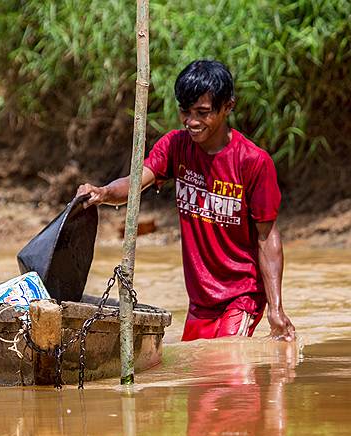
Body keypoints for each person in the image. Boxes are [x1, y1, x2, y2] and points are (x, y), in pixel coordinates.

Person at [77, 60, 295, 342]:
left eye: (203, 113)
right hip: (200, 300)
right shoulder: (175, 147)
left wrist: (276, 309)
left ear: (228, 106)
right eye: (185, 111)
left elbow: (268, 237)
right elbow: (135, 182)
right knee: (198, 376)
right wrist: (103, 193)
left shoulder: (253, 162)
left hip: (242, 295)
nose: (191, 122)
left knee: (227, 371)